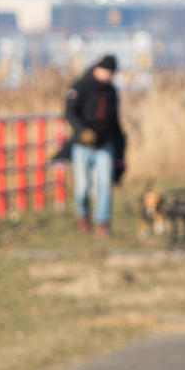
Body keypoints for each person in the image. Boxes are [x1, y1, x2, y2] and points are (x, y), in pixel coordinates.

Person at [64, 54, 125, 235]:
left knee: (105, 184)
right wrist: (82, 131)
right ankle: (83, 217)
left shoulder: (111, 91)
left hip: (105, 144)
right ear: (98, 69)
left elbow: (115, 121)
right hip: (82, 144)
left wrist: (121, 149)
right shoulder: (80, 86)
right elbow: (70, 112)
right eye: (107, 72)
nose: (108, 76)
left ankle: (102, 222)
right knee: (82, 187)